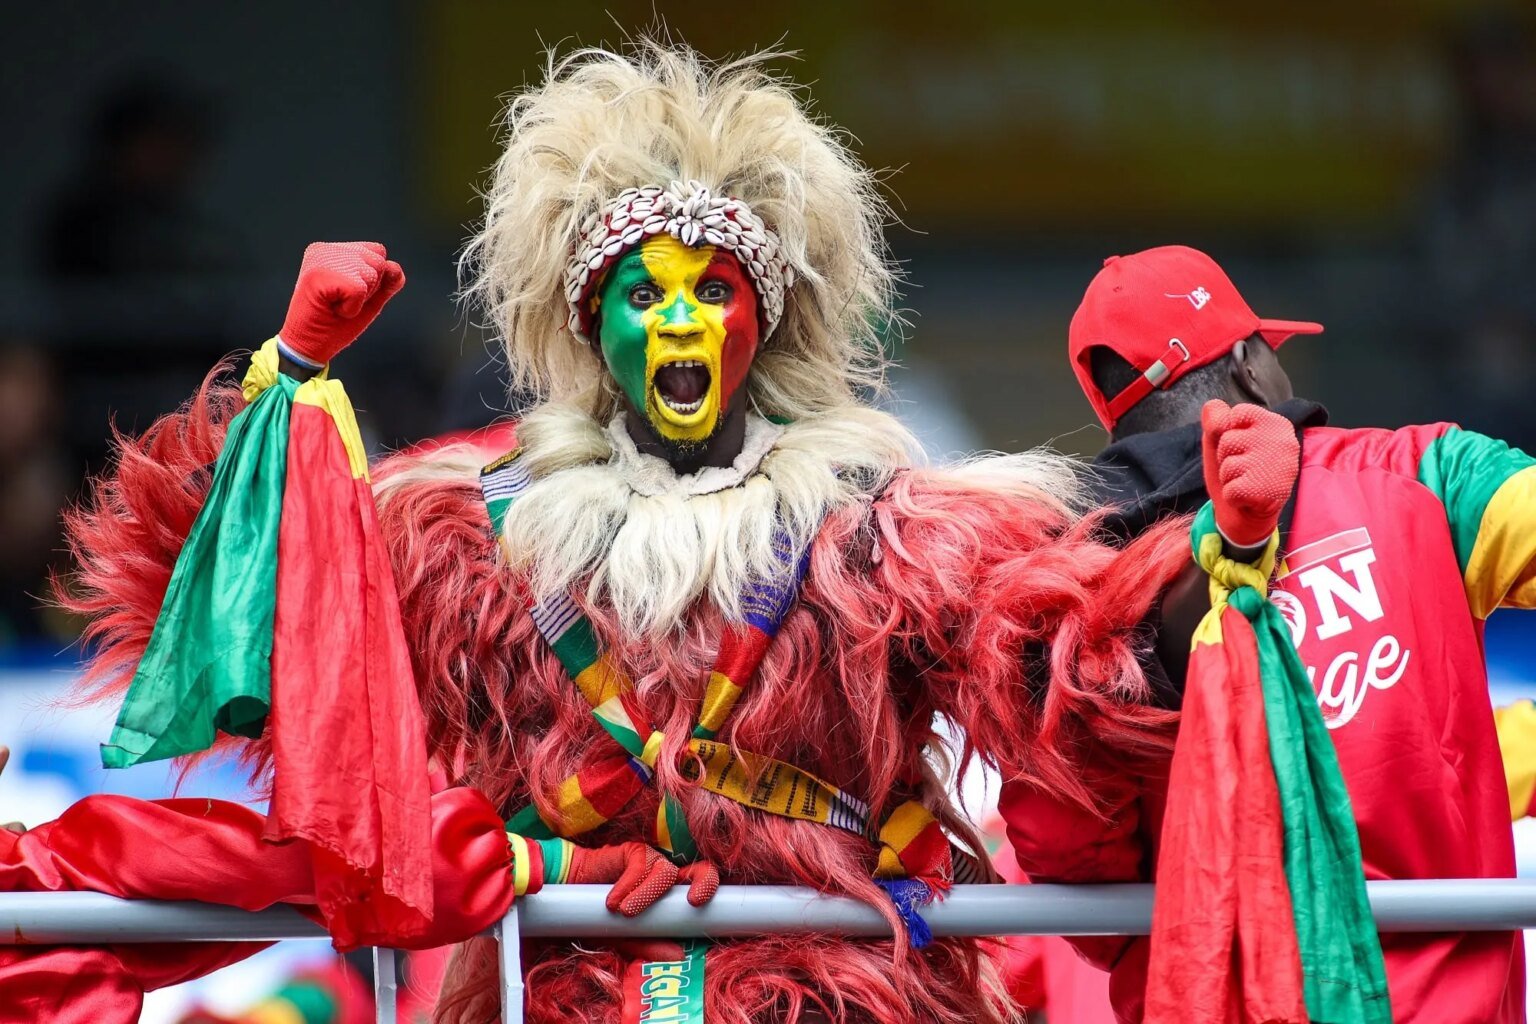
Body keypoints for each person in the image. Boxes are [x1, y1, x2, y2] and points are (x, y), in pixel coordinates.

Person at [0, 45, 1295, 1023]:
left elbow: (1077, 686)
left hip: (832, 990)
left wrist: (1195, 582)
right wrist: (290, 382)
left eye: (712, 292)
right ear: (588, 322)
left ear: (764, 323)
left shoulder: (891, 529)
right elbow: (260, 659)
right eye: (645, 293)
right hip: (554, 985)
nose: (679, 325)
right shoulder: (471, 535)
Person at [1002, 243, 1536, 1024]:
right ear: (1250, 367)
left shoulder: (1066, 592)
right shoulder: (1427, 474)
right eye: (1273, 355)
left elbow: (1068, 860)